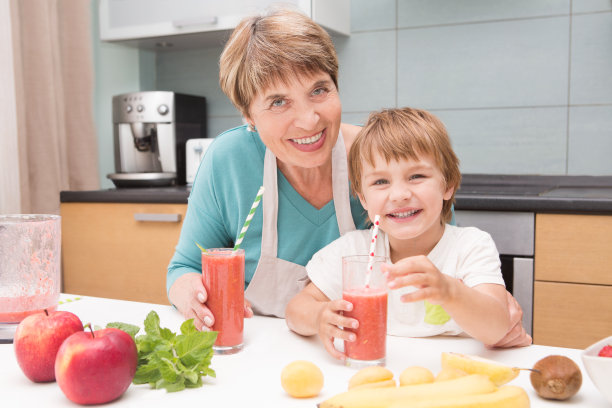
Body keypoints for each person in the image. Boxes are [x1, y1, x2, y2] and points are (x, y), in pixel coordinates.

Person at [165, 8, 531, 348]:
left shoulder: (379, 160)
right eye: (278, 102)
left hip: (363, 351)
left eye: (319, 90)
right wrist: (191, 297)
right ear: (248, 114)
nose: (309, 120)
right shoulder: (228, 161)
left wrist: (480, 303)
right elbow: (185, 268)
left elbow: (441, 251)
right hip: (259, 348)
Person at [285, 107, 517, 360]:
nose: (399, 195)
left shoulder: (471, 246)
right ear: (363, 198)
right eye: (380, 182)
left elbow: (496, 328)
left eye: (416, 176)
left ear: (448, 184)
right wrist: (319, 316)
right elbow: (296, 310)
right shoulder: (353, 251)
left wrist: (450, 292)